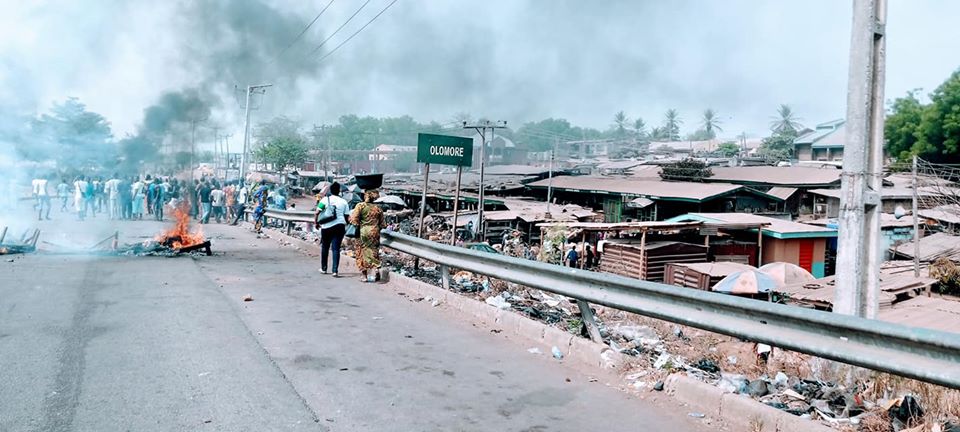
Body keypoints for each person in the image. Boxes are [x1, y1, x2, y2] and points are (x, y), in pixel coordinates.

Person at [349, 189, 386, 283]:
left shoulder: (360, 206)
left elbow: (354, 221)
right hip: (375, 232)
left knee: (361, 252)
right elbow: (383, 224)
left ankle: (364, 276)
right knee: (374, 251)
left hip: (363, 231)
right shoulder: (378, 208)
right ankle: (376, 268)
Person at [314, 182, 349, 277]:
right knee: (336, 248)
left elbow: (317, 212)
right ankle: (335, 271)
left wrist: (316, 223)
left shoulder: (325, 200)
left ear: (330, 190)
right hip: (340, 226)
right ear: (339, 191)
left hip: (326, 227)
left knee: (325, 247)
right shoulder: (344, 202)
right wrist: (346, 225)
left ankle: (324, 268)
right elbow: (346, 217)